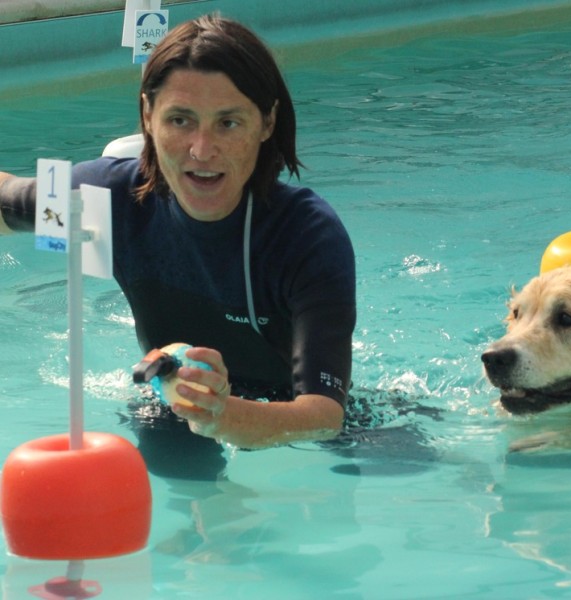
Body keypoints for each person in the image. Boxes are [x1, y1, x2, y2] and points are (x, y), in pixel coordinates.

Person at [0, 14, 356, 453]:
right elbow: (6, 199)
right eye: (181, 120)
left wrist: (222, 415)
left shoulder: (305, 235)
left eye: (228, 123)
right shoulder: (104, 202)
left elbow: (323, 416)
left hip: (289, 424)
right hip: (168, 407)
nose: (202, 151)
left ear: (266, 123)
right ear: (148, 116)